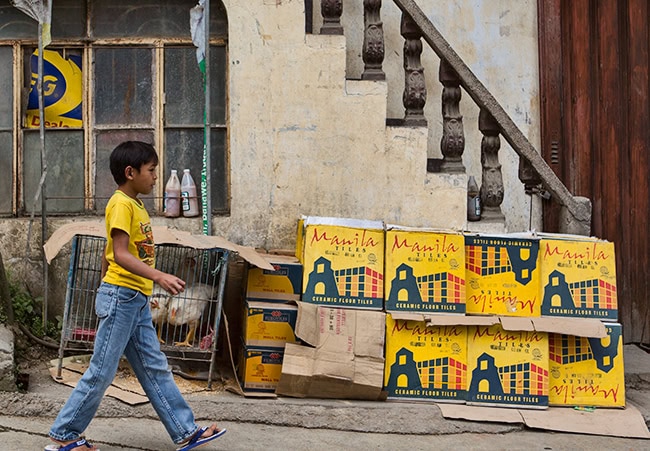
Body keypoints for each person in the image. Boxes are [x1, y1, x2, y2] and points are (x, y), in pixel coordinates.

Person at [47, 141, 225, 451]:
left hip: (134, 298)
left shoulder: (136, 205)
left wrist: (110, 286)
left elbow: (108, 252)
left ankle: (185, 431)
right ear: (131, 173)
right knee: (102, 371)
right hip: (123, 297)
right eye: (152, 171)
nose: (156, 177)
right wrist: (157, 276)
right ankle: (65, 435)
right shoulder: (121, 204)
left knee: (154, 366)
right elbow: (119, 253)